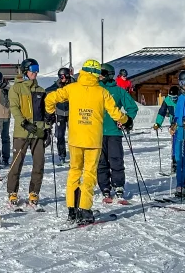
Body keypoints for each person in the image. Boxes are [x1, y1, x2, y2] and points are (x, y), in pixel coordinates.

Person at [45, 59, 130, 225]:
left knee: (74, 171)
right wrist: (125, 120)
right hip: (93, 140)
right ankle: (85, 209)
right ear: (96, 74)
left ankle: (72, 209)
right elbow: (116, 113)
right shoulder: (102, 92)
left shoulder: (71, 88)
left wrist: (49, 113)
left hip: (76, 139)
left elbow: (50, 99)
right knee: (89, 173)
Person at [6, 58, 51, 209]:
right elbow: (14, 108)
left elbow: (44, 112)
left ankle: (34, 192)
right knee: (16, 164)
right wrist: (24, 123)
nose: (36, 72)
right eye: (33, 69)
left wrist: (48, 128)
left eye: (37, 69)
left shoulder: (41, 90)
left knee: (39, 163)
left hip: (38, 133)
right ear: (25, 70)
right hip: (22, 133)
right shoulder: (16, 88)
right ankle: (12, 192)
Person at [97, 63, 139, 203]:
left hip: (114, 132)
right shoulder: (95, 89)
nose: (99, 75)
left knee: (116, 160)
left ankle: (118, 186)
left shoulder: (119, 91)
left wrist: (127, 120)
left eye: (102, 73)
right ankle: (105, 187)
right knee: (101, 162)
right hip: (97, 132)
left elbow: (132, 107)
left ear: (109, 74)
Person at [45, 67, 74, 166]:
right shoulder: (57, 85)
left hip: (71, 112)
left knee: (74, 135)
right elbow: (48, 90)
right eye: (60, 77)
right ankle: (62, 155)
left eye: (63, 77)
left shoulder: (73, 84)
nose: (62, 79)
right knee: (60, 135)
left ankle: (75, 156)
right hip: (60, 112)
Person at [153, 85, 179, 173]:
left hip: (184, 124)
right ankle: (175, 162)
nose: (173, 99)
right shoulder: (167, 100)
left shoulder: (182, 99)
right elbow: (162, 112)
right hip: (174, 126)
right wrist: (158, 123)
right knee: (175, 144)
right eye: (171, 97)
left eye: (175, 97)